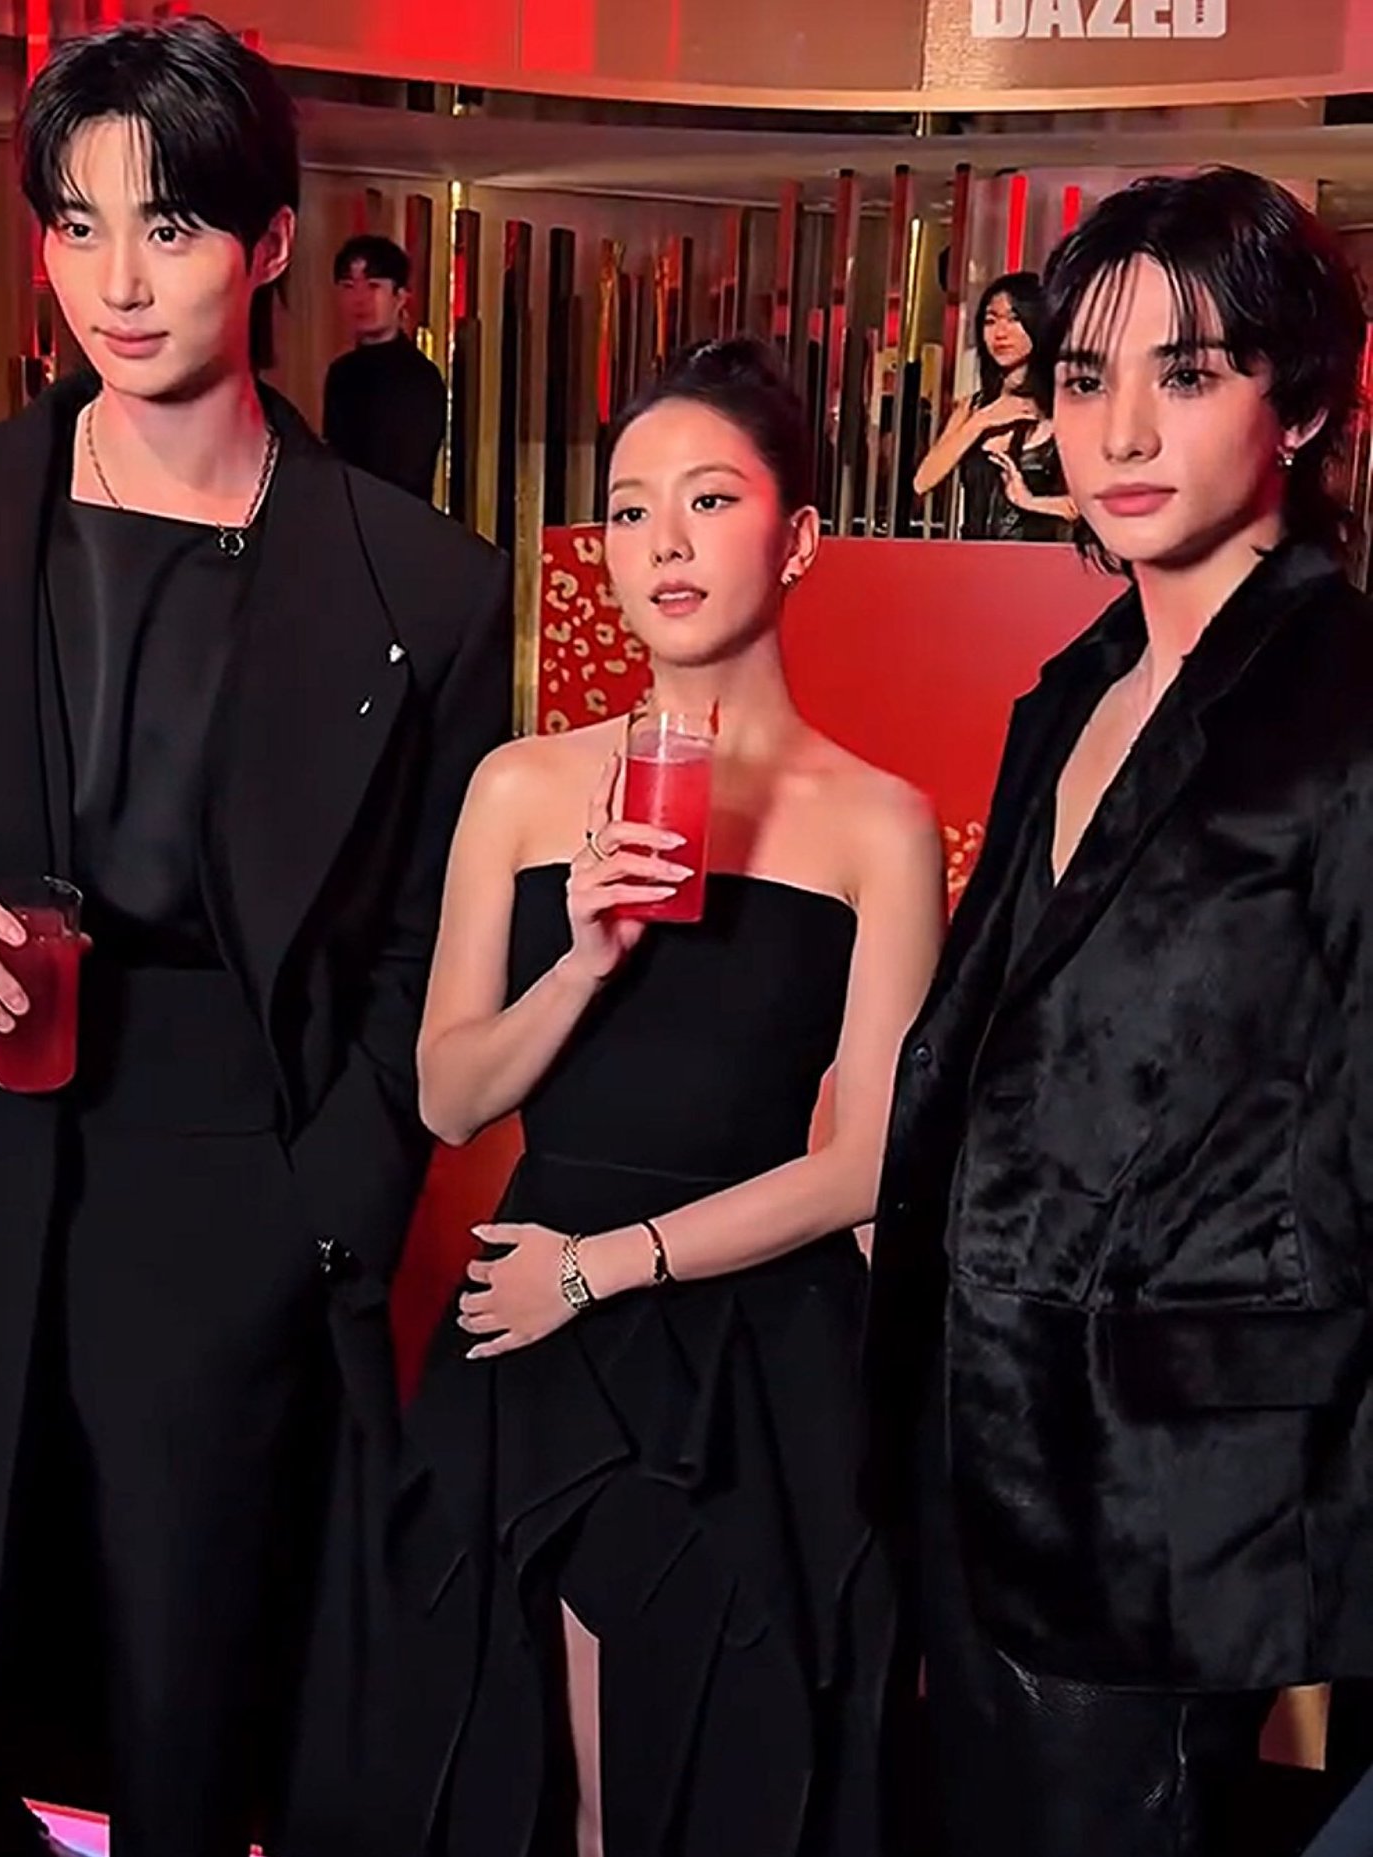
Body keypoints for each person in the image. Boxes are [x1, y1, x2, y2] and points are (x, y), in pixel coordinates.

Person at [0, 18, 511, 1857]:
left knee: (187, 1703)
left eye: (165, 226)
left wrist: (323, 1204)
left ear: (266, 244)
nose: (118, 281)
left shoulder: (422, 583)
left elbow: (424, 943)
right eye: (77, 227)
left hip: (232, 1185)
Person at [375, 337, 945, 1855]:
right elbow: (446, 1098)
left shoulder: (878, 823)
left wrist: (599, 1269)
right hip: (529, 1327)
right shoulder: (519, 785)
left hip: (751, 1336)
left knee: (721, 1780)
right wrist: (581, 961)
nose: (664, 545)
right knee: (529, 1772)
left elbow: (865, 1164)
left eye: (709, 500)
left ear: (798, 538)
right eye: (630, 511)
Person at [866, 166, 1373, 1857]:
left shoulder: (1343, 707)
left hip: (1176, 1496)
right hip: (973, 1436)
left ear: (1298, 405)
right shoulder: (1070, 690)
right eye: (1085, 379)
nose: (1122, 430)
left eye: (1188, 372)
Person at [912, 269, 1077, 541]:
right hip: (973, 557)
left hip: (1036, 558)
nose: (1000, 333)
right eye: (990, 321)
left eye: (1014, 319)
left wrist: (1030, 501)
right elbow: (923, 481)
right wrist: (982, 421)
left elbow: (1086, 508)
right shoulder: (973, 408)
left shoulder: (1061, 407)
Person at [323, 233, 447, 502]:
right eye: (348, 286)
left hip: (397, 516)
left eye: (373, 286)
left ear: (400, 296)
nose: (360, 299)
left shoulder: (419, 376)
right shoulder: (341, 373)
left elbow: (408, 472)